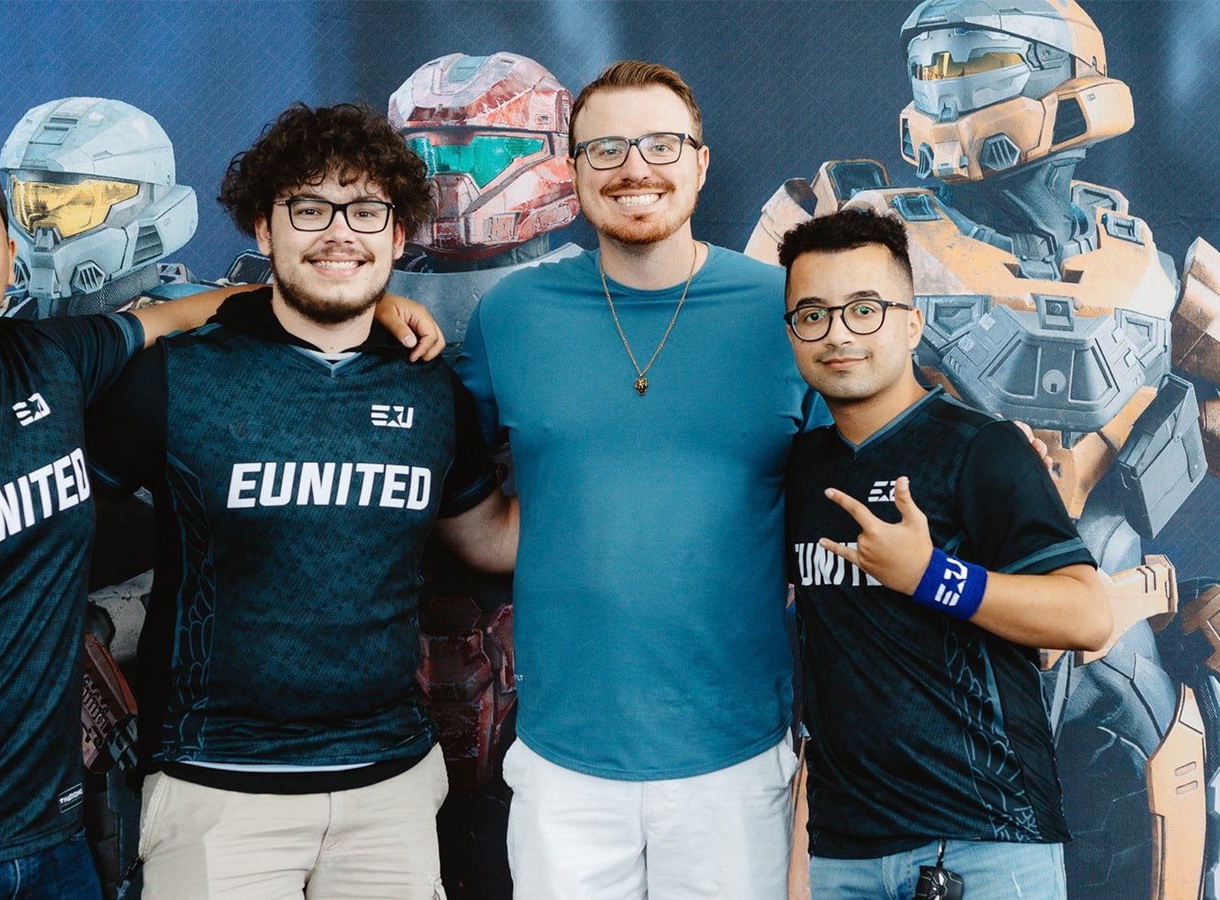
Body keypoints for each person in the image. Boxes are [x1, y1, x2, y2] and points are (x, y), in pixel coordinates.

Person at [0, 139, 442, 900]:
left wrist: (362, 297)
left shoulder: (53, 360)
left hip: (58, 839)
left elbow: (191, 311)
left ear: (7, 256)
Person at [86, 101, 518, 900]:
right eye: (309, 208)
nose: (337, 232)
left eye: (365, 211)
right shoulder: (175, 379)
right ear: (263, 228)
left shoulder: (429, 388)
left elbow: (491, 537)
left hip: (391, 788)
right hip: (217, 790)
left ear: (397, 236)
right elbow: (62, 530)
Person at [455, 60, 824, 899]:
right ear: (573, 171)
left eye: (661, 144)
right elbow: (449, 480)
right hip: (563, 763)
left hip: (736, 758)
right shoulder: (511, 316)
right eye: (606, 148)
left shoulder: (787, 309)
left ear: (700, 162)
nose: (634, 168)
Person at [777, 207, 1112, 898]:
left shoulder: (980, 448)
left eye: (864, 309)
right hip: (843, 854)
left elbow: (1087, 617)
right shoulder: (799, 469)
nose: (838, 333)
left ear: (911, 322)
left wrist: (932, 576)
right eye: (812, 315)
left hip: (981, 845)